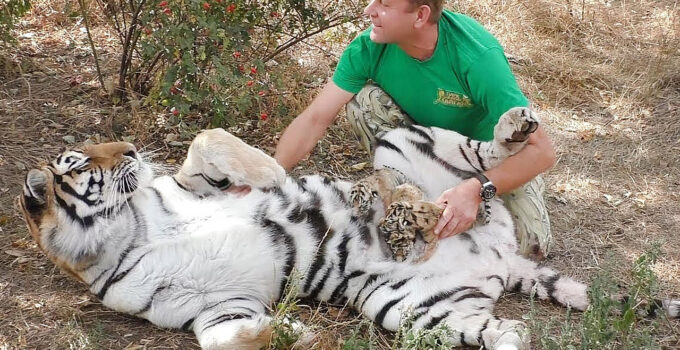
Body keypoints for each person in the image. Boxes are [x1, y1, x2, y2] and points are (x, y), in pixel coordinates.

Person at [274, 0, 555, 260]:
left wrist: (476, 189)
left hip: (488, 160)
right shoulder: (369, 47)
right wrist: (266, 178)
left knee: (529, 248)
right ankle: (410, 196)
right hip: (425, 154)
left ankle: (457, 204)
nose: (369, 10)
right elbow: (314, 119)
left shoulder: (477, 57)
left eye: (384, 4)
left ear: (420, 15)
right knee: (364, 102)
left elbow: (542, 153)